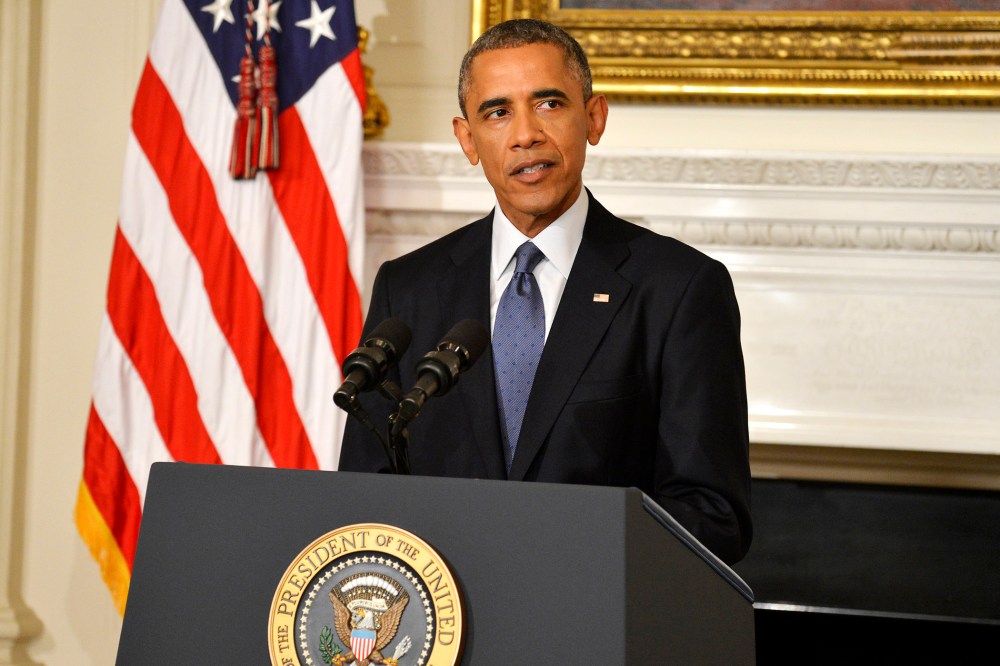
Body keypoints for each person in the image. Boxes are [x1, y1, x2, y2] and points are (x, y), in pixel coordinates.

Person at [339, 18, 752, 565]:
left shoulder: (679, 289)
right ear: (468, 139)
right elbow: (362, 497)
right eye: (498, 111)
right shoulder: (408, 287)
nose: (525, 133)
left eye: (550, 104)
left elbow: (714, 513)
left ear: (594, 118)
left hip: (595, 624)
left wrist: (551, 547)